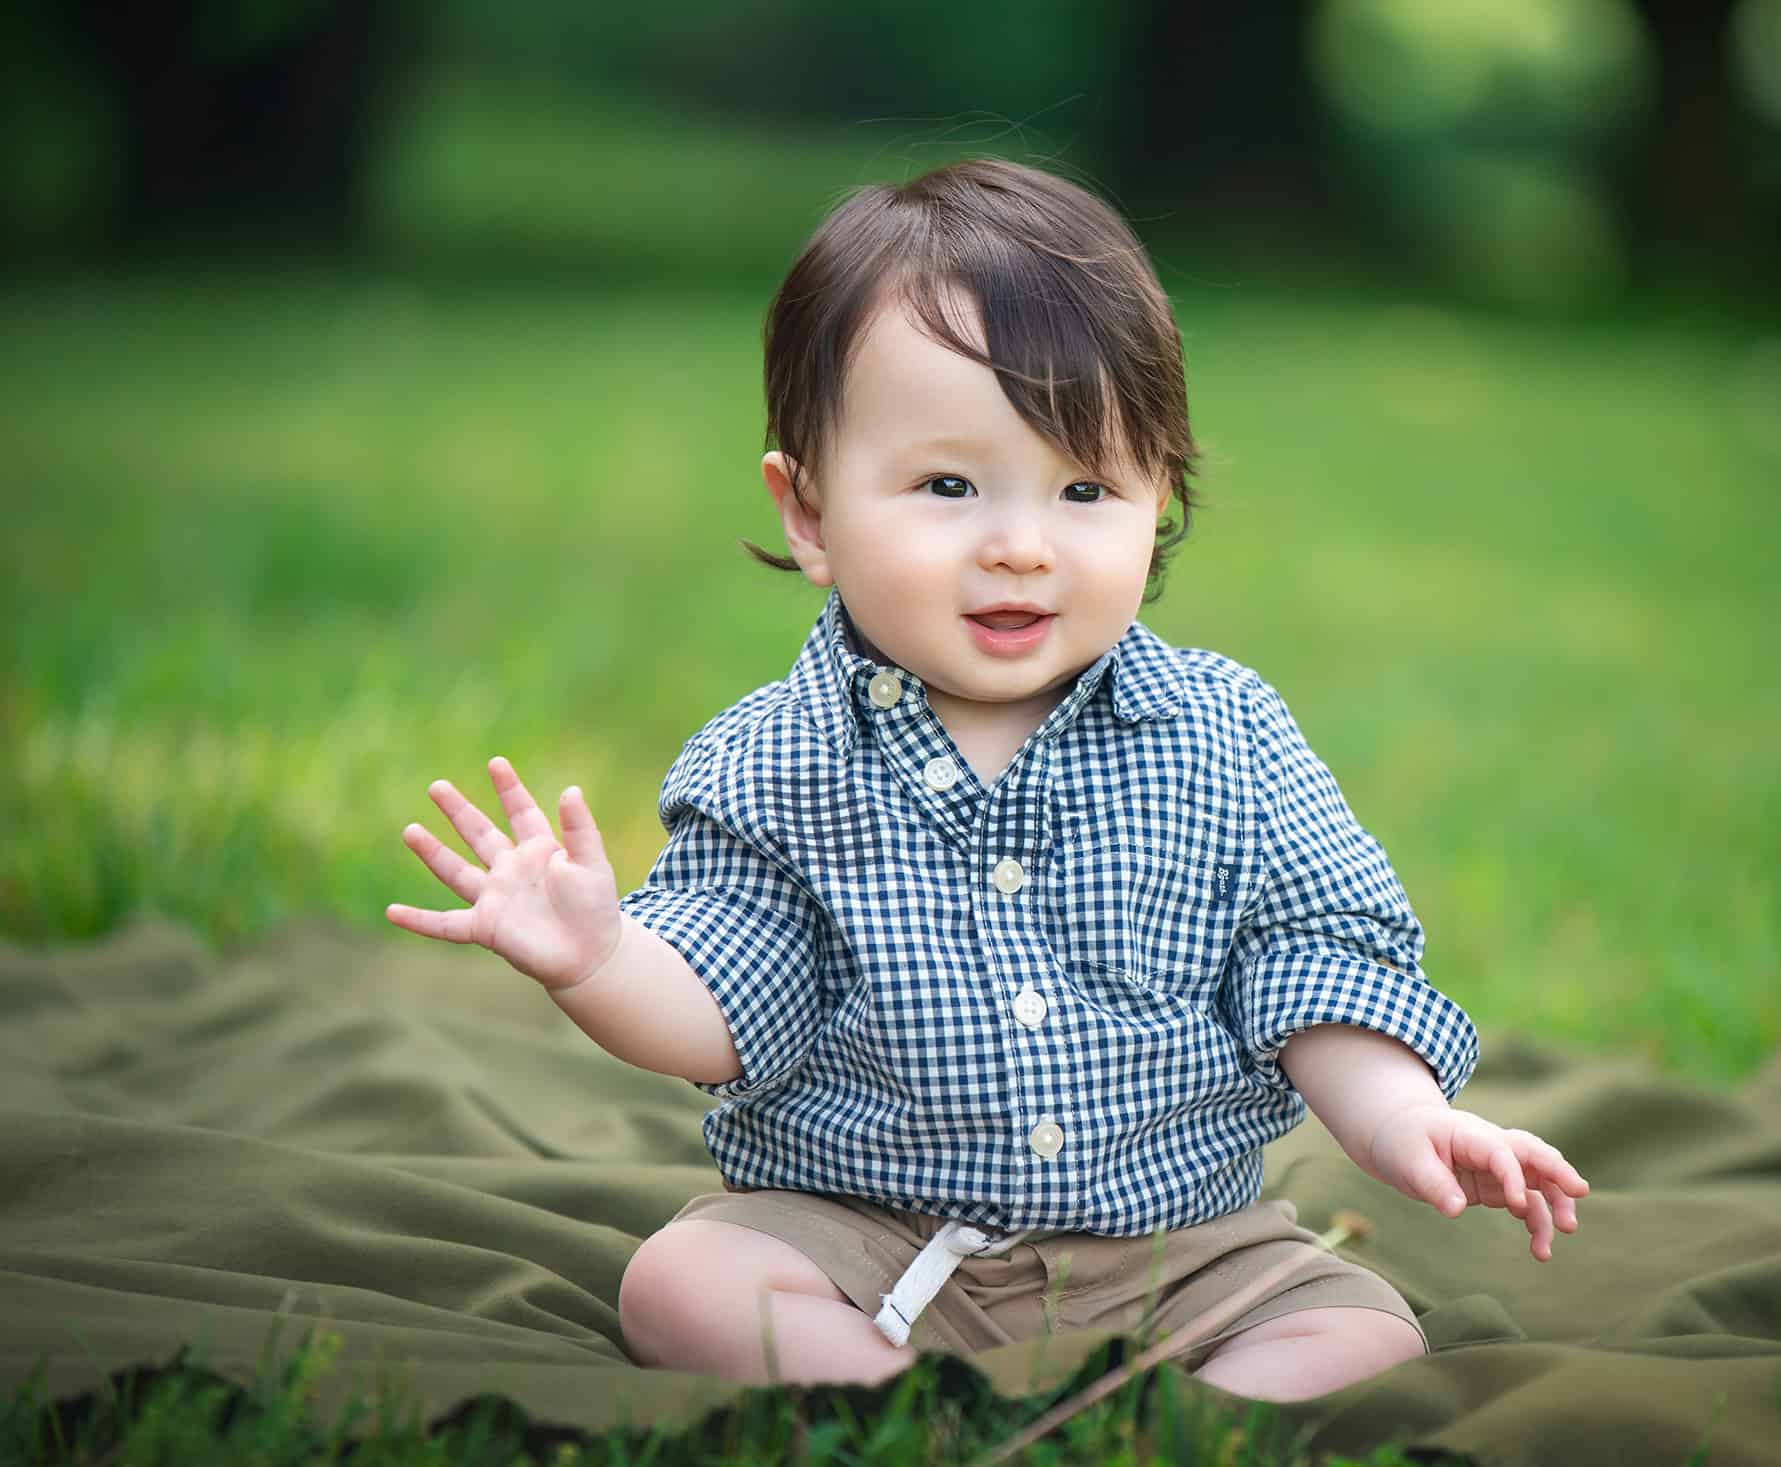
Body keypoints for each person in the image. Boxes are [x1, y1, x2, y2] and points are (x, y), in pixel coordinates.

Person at [385, 158, 1588, 1403]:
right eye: (948, 486)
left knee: (1363, 1332)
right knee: (682, 1286)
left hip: (1173, 1250)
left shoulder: (1226, 737)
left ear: (1156, 501)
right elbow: (721, 1011)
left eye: (1083, 490)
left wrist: (1401, 1122)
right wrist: (596, 959)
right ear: (806, 512)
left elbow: (1313, 969)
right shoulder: (774, 762)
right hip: (869, 1236)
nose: (1018, 543)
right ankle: (902, 1402)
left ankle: (1169, 1411)